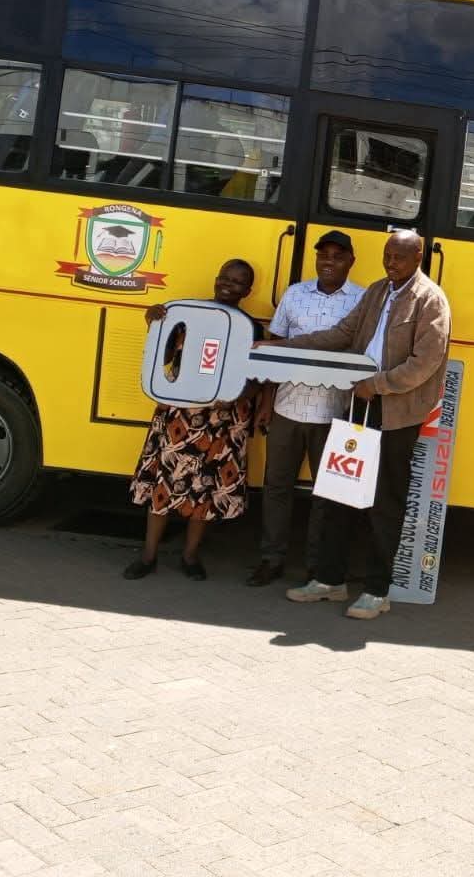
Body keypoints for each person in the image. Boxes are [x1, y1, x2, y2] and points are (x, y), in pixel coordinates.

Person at [271, 229, 451, 620]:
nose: (391, 263)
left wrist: (379, 385)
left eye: (399, 257)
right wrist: (284, 347)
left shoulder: (431, 299)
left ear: (418, 257)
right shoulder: (378, 291)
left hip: (394, 414)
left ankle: (376, 590)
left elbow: (425, 363)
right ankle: (330, 581)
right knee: (339, 493)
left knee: (384, 504)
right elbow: (343, 334)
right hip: (357, 405)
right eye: (387, 255)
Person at [123, 258, 271, 581]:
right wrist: (154, 318)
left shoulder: (252, 328)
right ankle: (148, 555)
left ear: (248, 290)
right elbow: (163, 354)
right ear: (216, 279)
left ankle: (190, 556)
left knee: (204, 490)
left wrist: (241, 399)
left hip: (224, 420)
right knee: (162, 487)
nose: (229, 285)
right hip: (180, 414)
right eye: (225, 278)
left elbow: (260, 376)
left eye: (238, 282)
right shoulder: (186, 316)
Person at [246, 230, 364, 587]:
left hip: (334, 413)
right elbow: (273, 348)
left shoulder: (362, 300)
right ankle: (272, 558)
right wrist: (266, 402)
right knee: (276, 486)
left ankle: (317, 565)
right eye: (323, 254)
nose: (329, 261)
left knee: (326, 493)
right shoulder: (295, 294)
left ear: (350, 261)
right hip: (286, 408)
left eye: (338, 255)